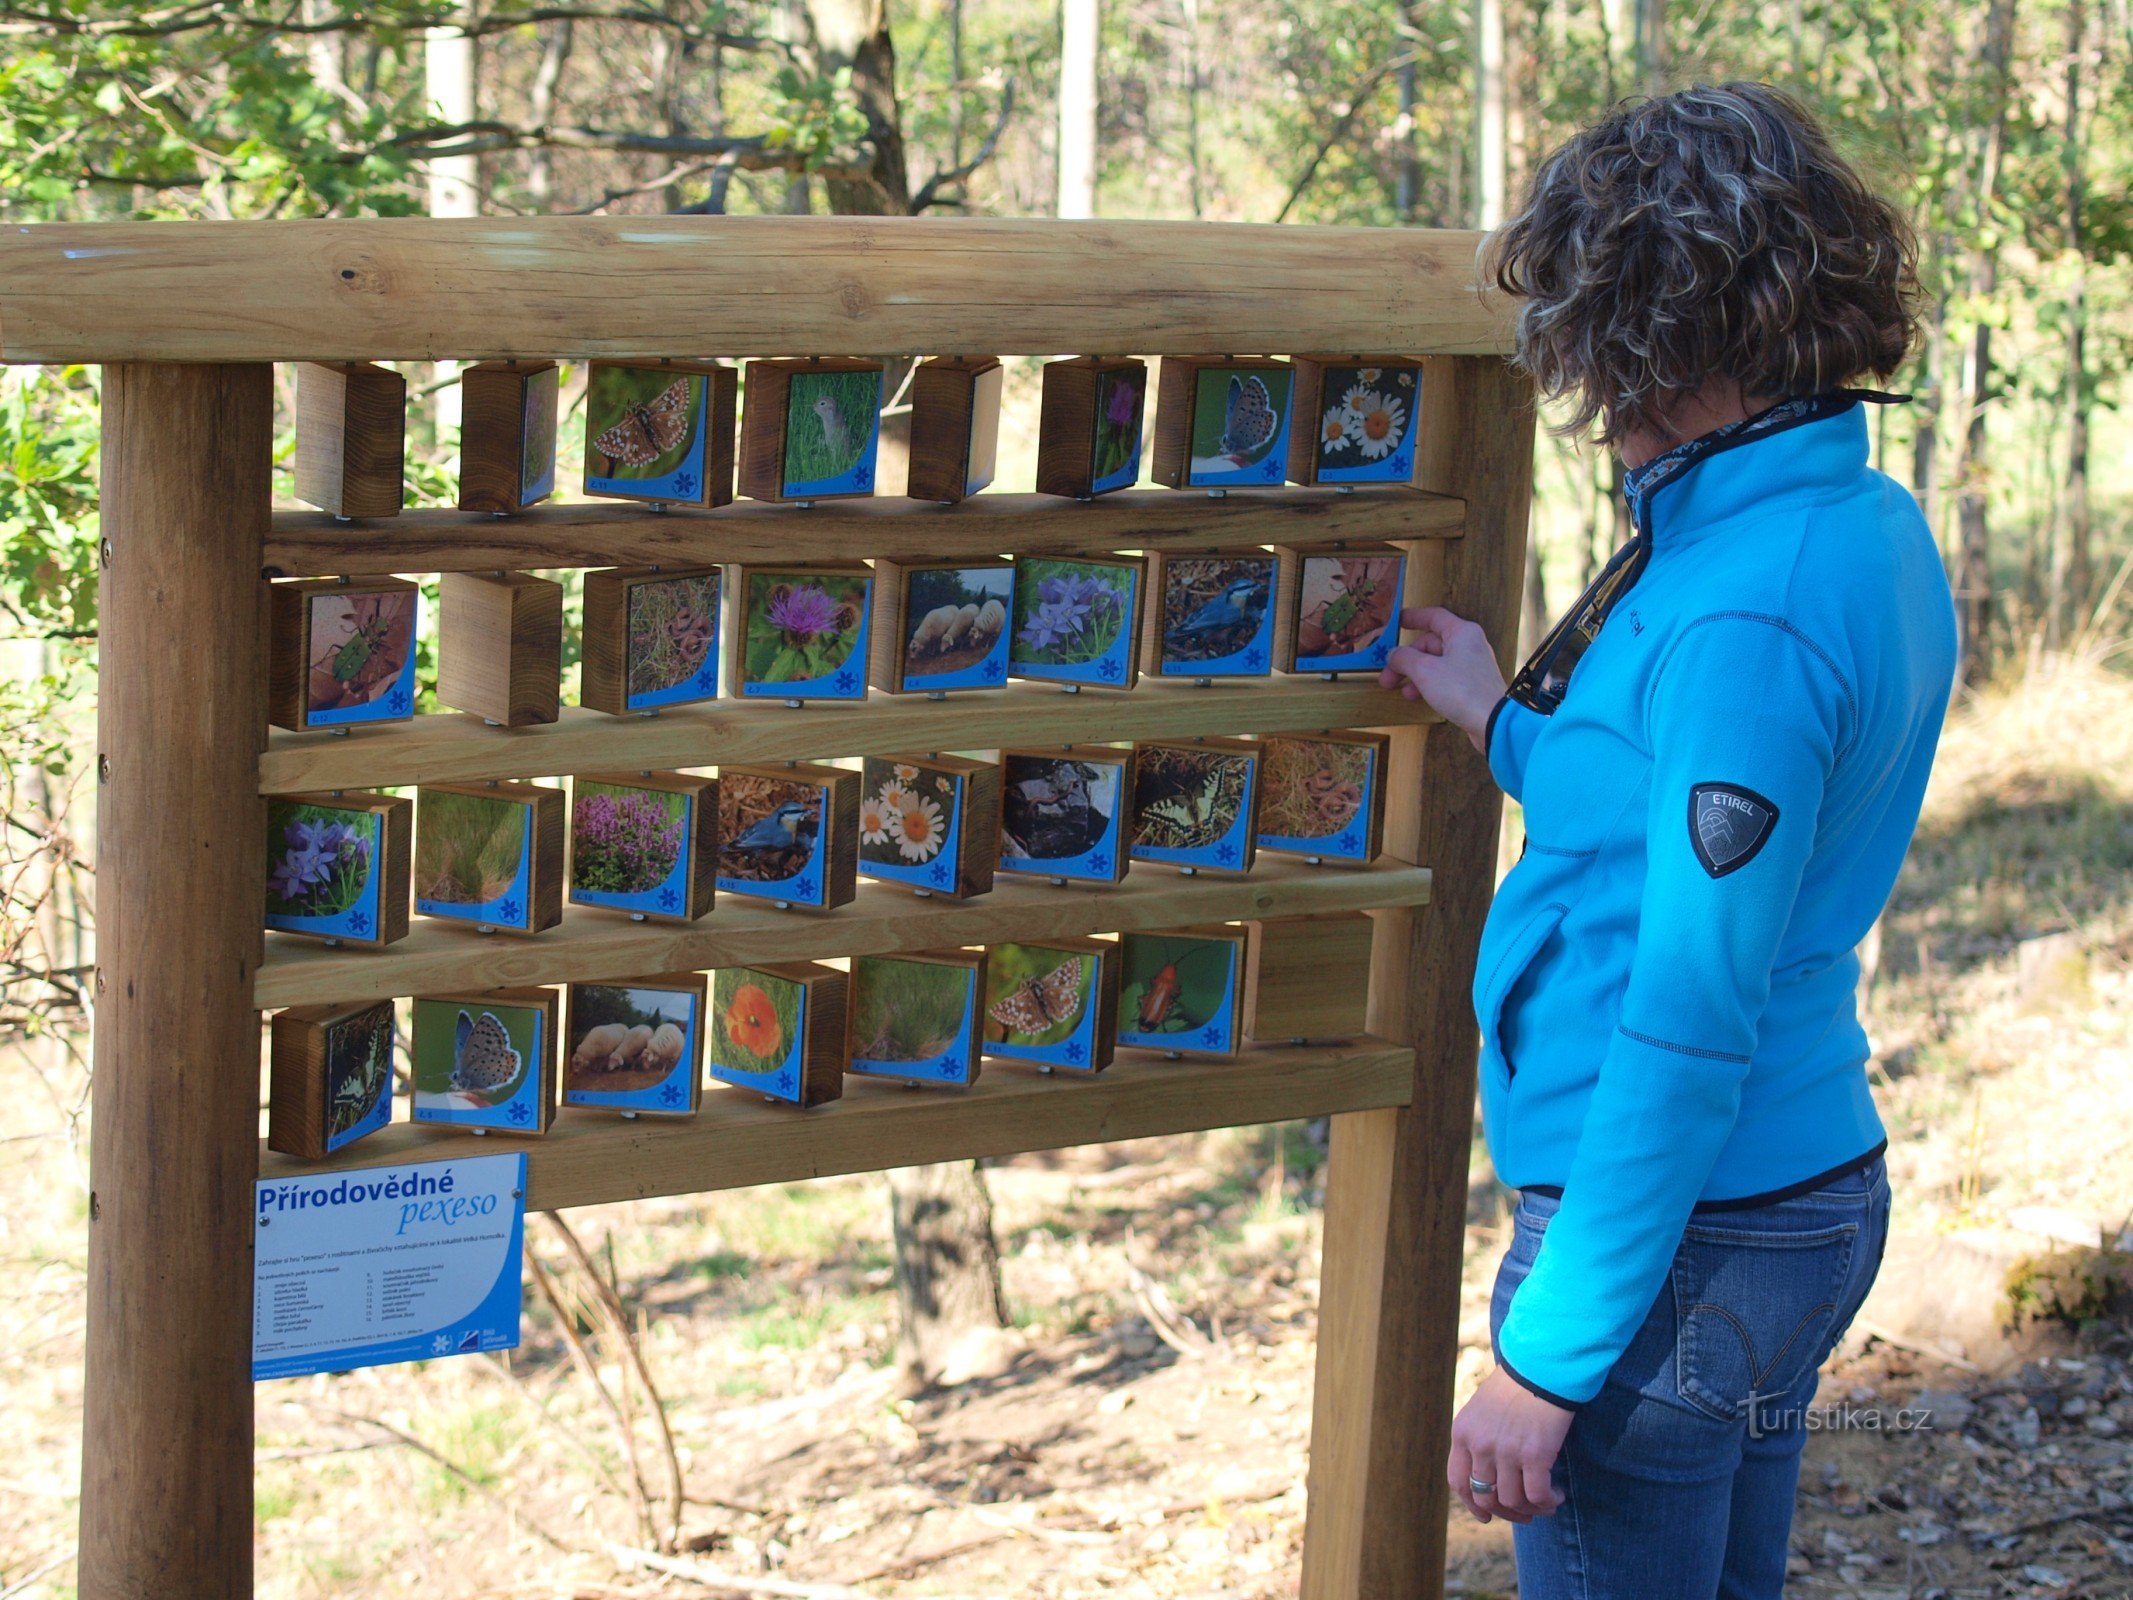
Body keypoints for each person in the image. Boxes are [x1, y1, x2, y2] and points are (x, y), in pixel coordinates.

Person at [1380, 83, 1957, 1598]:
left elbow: (1686, 1015)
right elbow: (1685, 808)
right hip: (1785, 1198)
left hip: (1677, 1241)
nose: (1585, 395)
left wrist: (1546, 1364)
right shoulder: (1849, 524)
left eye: (1590, 343)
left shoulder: (1742, 607)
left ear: (1655, 334)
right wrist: (1500, 720)